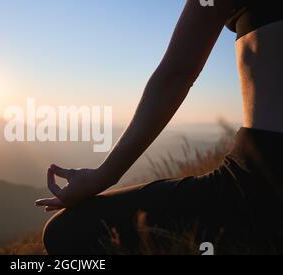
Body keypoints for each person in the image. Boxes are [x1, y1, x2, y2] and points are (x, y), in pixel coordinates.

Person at [35, 0, 283, 255]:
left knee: (67, 231)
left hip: (262, 184)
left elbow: (178, 73)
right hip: (263, 173)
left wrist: (102, 176)